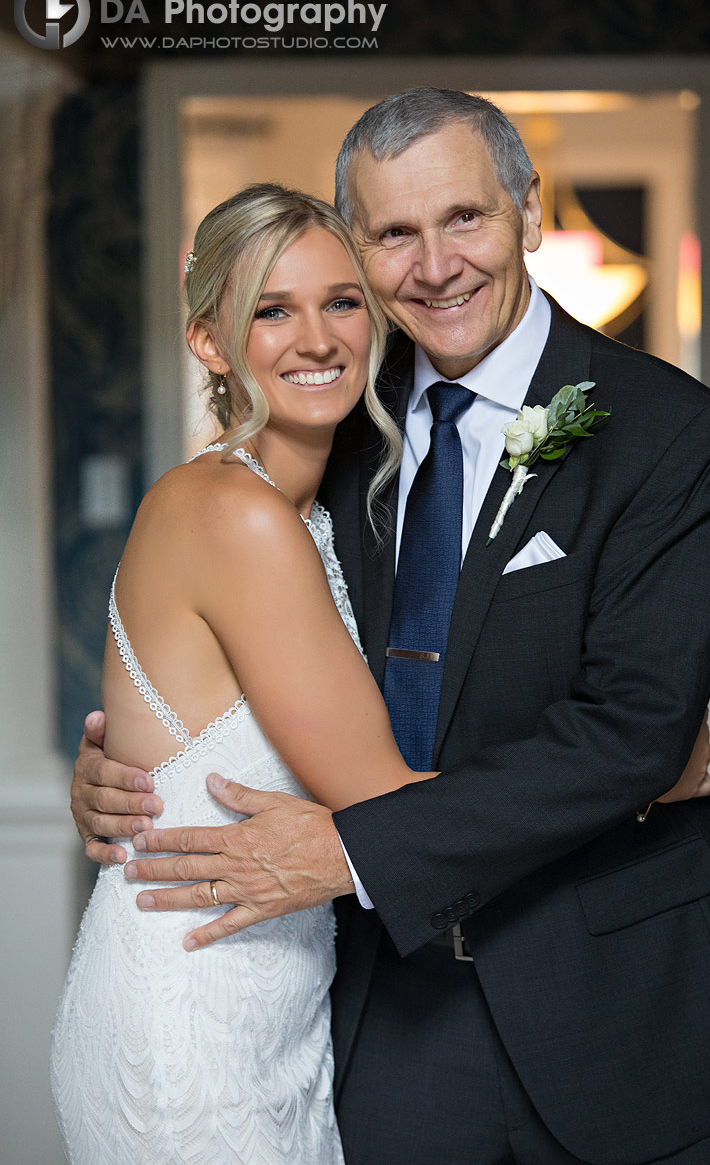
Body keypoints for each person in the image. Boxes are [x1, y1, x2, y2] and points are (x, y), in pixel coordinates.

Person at [70, 88, 710, 1164]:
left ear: (528, 213)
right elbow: (237, 655)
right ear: (360, 246)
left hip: (622, 1006)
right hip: (389, 1014)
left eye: (464, 218)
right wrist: (133, 759)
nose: (435, 263)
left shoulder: (670, 432)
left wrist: (355, 847)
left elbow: (635, 728)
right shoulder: (336, 414)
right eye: (394, 233)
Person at [51, 182, 443, 1164]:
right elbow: (389, 807)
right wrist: (628, 778)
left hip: (274, 1019)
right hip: (194, 1032)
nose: (317, 337)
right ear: (211, 341)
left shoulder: (295, 509)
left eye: (342, 300)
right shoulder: (237, 516)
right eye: (273, 309)